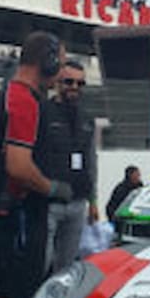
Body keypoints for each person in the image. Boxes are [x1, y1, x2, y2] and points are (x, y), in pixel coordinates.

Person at [0, 31, 71, 298]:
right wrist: (52, 188)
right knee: (21, 297)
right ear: (45, 62)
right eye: (58, 64)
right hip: (19, 209)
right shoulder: (24, 100)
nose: (61, 72)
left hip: (2, 204)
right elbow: (18, 166)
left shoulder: (10, 93)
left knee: (5, 293)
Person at [41, 59, 98, 273]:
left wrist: (93, 201)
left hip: (77, 202)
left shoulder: (86, 119)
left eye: (80, 83)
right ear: (57, 82)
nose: (74, 87)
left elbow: (91, 161)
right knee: (40, 264)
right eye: (69, 82)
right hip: (48, 203)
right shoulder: (43, 112)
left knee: (66, 269)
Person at [106, 165, 143, 236]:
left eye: (139, 175)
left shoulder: (140, 186)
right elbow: (112, 206)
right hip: (119, 217)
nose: (139, 177)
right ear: (130, 175)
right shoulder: (121, 189)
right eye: (137, 175)